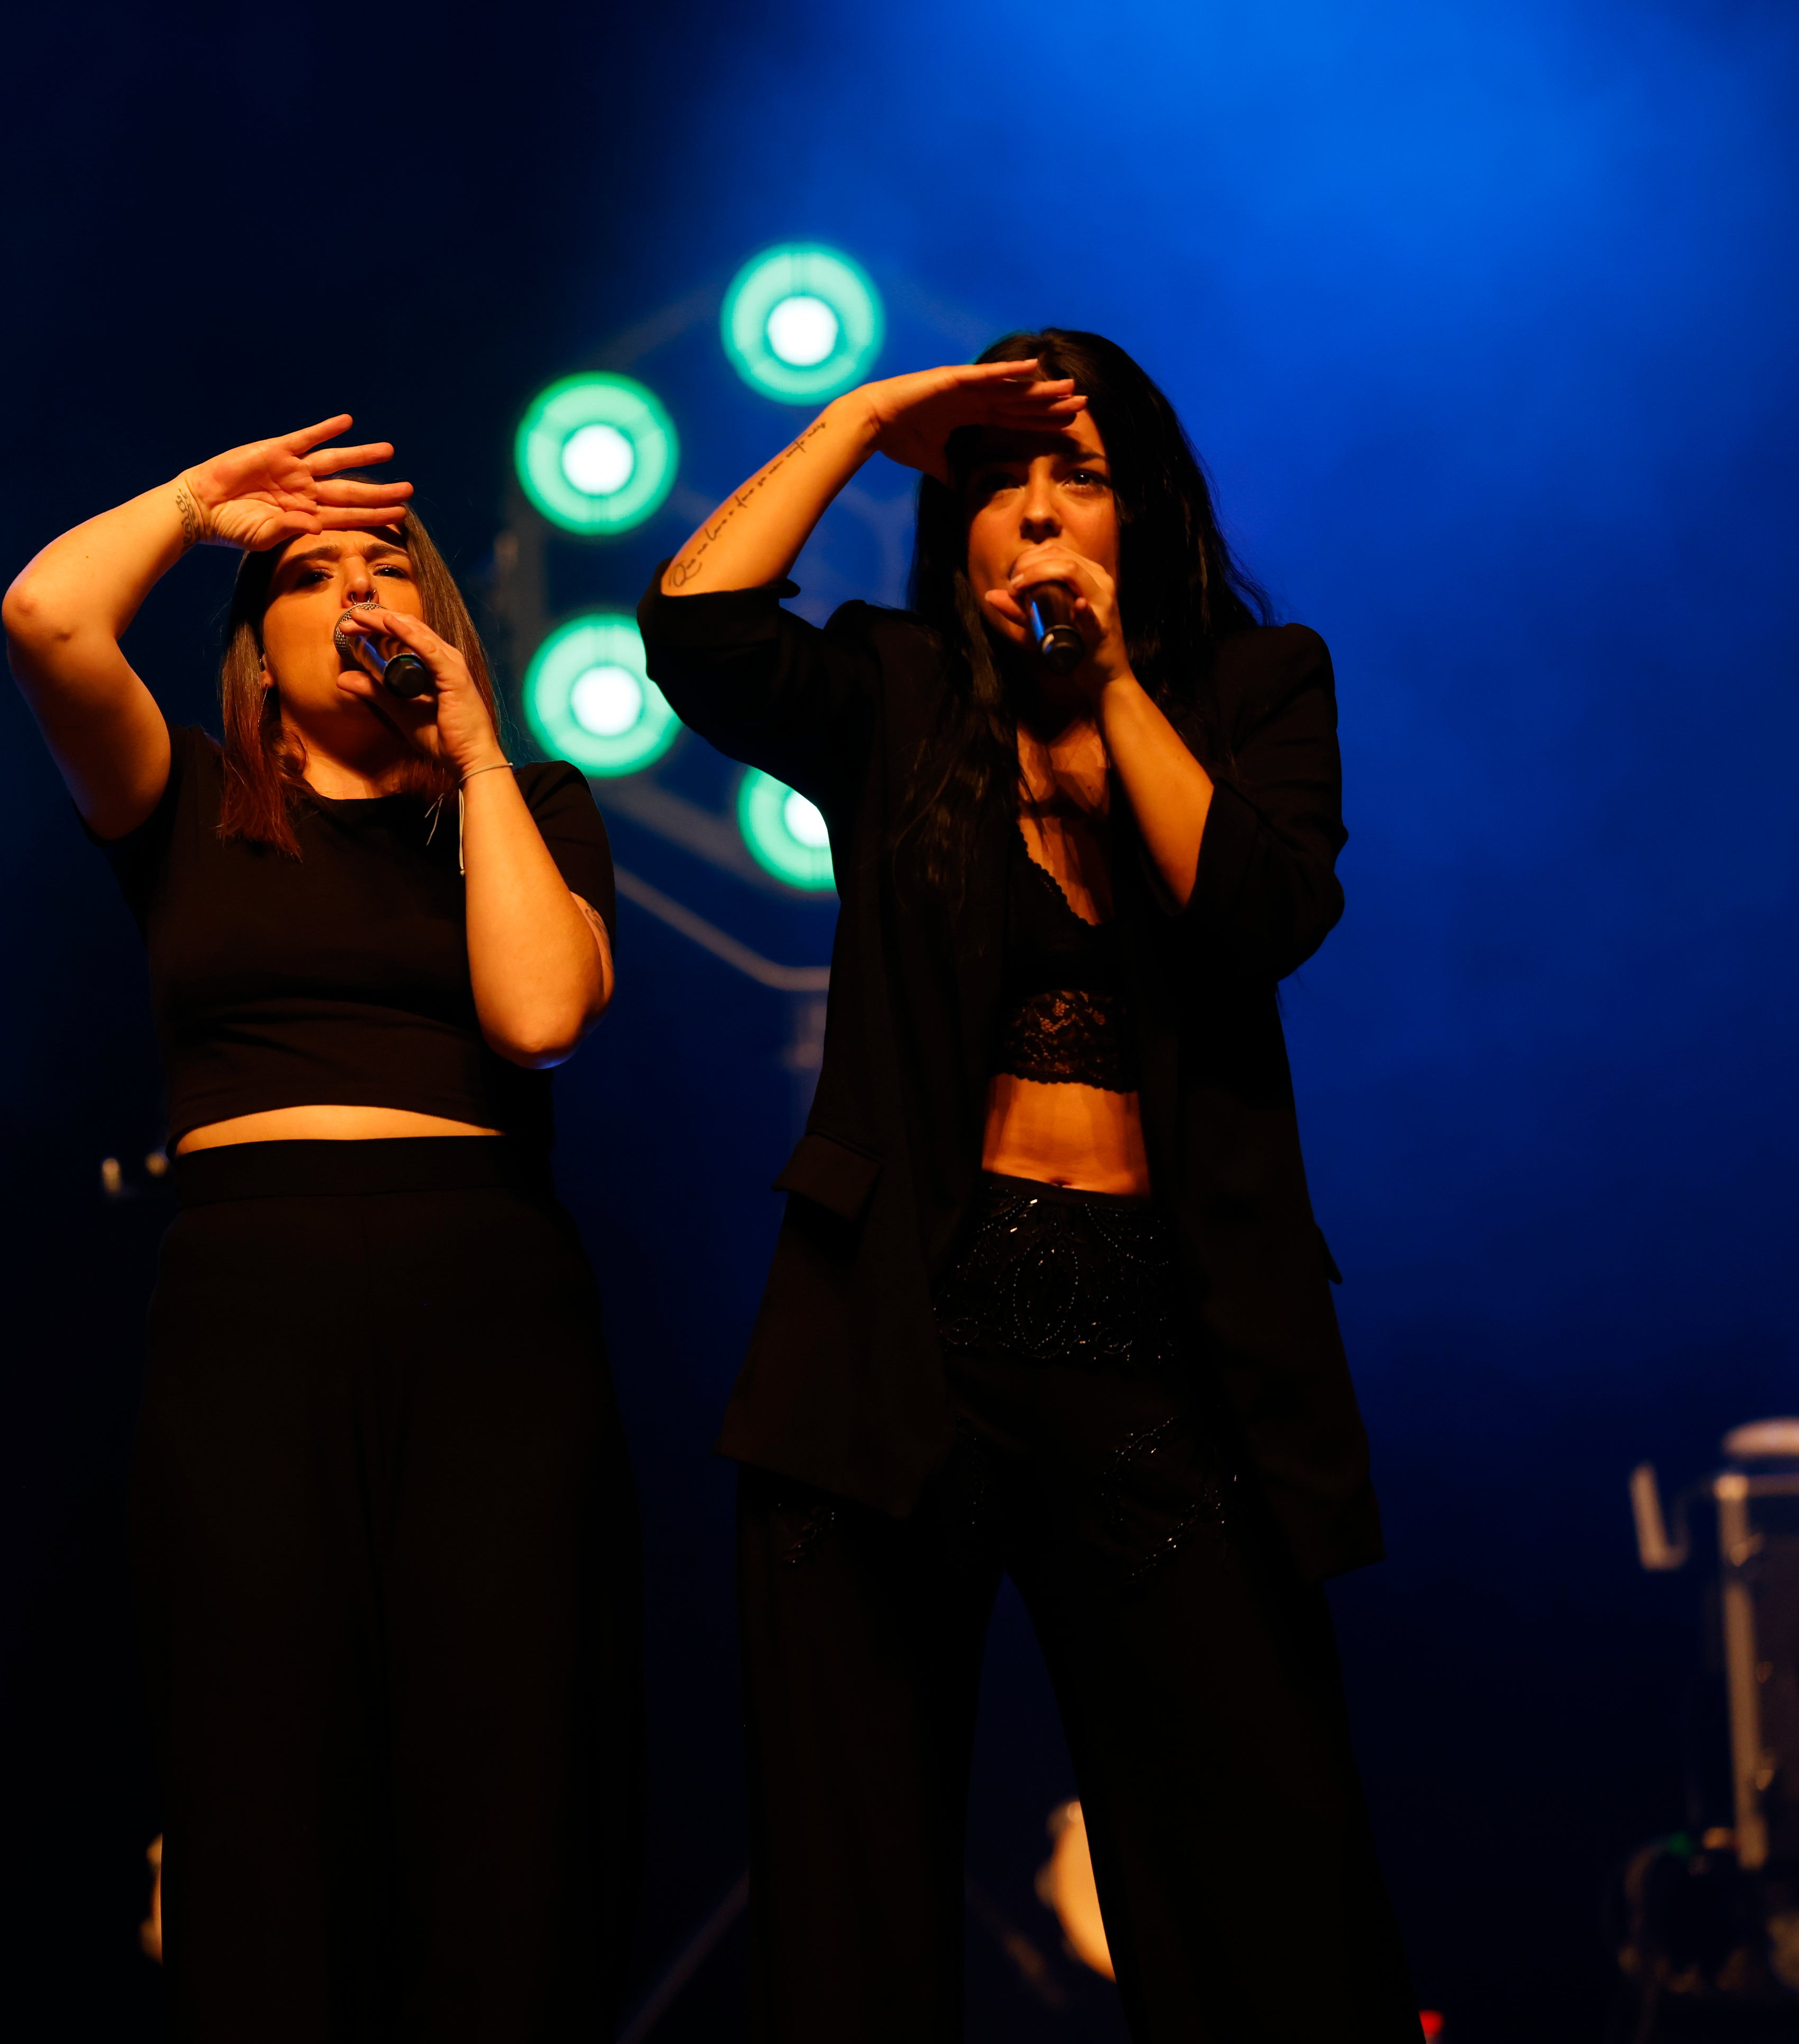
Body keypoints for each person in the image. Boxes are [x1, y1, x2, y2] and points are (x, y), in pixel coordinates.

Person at [639, 332, 1414, 2040]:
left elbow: (1264, 920)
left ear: (1150, 512)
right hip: (895, 1337)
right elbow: (692, 631)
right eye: (1002, 488)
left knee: (1262, 1879)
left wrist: (1115, 686)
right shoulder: (895, 691)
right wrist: (862, 420)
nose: (1039, 520)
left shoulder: (1258, 689)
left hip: (1163, 1347)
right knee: (854, 1891)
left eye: (1080, 482)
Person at [2, 418, 641, 2042]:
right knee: (260, 1764)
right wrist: (200, 507)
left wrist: (481, 755)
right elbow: (45, 618)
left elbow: (544, 1013)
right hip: (252, 1315)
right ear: (259, 653)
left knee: (500, 1763)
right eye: (316, 576)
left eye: (391, 572)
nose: (363, 594)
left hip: (486, 1307)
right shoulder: (187, 802)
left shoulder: (528, 805)